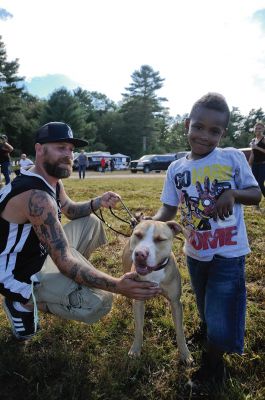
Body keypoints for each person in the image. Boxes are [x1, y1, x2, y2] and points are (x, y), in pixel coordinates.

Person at [0, 121, 161, 341]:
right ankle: (23, 303)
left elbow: (70, 210)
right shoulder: (36, 196)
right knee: (99, 302)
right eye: (60, 147)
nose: (68, 155)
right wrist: (118, 285)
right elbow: (64, 260)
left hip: (36, 254)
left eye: (71, 149)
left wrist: (98, 201)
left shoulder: (48, 180)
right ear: (39, 149)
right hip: (15, 274)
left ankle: (61, 284)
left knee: (91, 223)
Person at [150, 93, 261, 388]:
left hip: (229, 251)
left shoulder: (232, 157)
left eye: (214, 131)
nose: (204, 136)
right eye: (198, 127)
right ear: (187, 125)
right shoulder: (176, 169)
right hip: (195, 250)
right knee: (203, 301)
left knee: (221, 309)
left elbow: (255, 194)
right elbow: (169, 208)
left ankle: (213, 369)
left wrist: (233, 193)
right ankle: (207, 329)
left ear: (223, 133)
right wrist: (151, 222)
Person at [248, 121, 265, 208]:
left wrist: (257, 147)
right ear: (254, 130)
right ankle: (256, 204)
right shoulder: (253, 140)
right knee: (255, 184)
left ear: (263, 129)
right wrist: (249, 164)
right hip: (255, 164)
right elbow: (252, 153)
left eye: (259, 128)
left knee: (261, 184)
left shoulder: (264, 139)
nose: (257, 130)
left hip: (263, 164)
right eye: (256, 128)